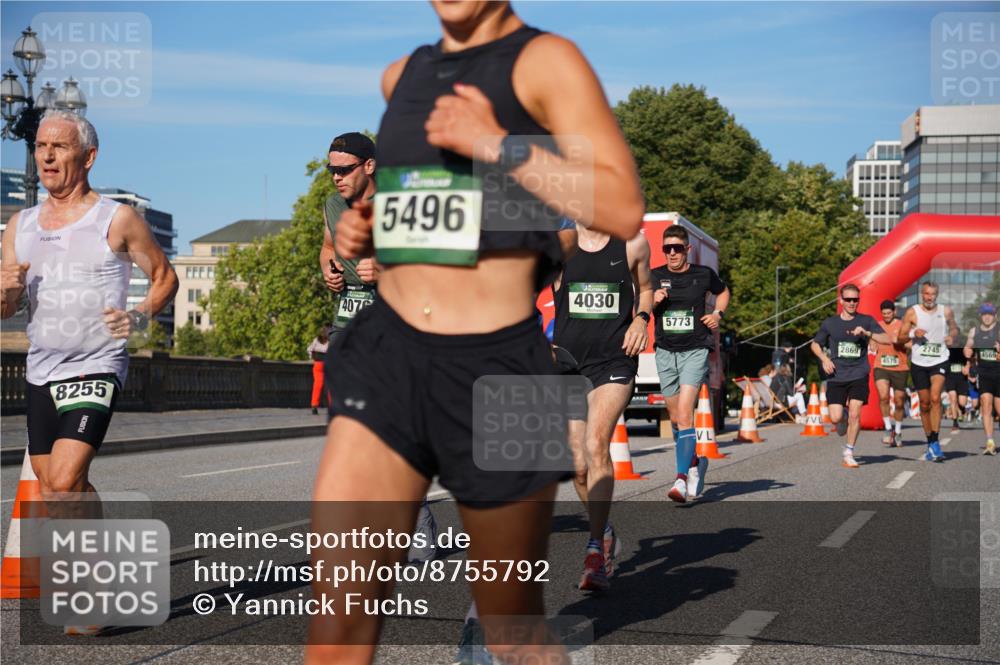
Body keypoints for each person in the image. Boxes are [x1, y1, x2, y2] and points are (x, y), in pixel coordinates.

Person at [307, 1, 644, 663]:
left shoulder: (546, 61)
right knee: (338, 620)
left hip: (501, 367)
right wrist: (372, 222)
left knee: (509, 630)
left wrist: (496, 144)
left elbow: (619, 205)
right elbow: (426, 204)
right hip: (390, 355)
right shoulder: (400, 76)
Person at [0, 111, 177, 634]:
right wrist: (7, 289)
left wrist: (139, 314)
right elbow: (5, 308)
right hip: (41, 369)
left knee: (67, 476)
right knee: (58, 489)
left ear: (88, 157)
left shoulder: (115, 219)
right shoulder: (21, 225)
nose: (47, 156)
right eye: (40, 146)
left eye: (59, 146)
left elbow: (164, 276)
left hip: (97, 363)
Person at [552, 223, 651, 591]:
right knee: (577, 467)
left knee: (596, 445)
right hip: (568, 363)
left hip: (614, 362)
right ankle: (605, 531)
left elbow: (646, 288)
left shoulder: (632, 244)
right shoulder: (561, 244)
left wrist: (642, 319)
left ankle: (595, 552)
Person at [651, 225, 730, 503]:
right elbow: (637, 302)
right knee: (675, 418)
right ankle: (696, 463)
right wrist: (651, 299)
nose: (672, 253)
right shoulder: (655, 276)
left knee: (685, 414)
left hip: (695, 349)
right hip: (664, 351)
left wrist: (717, 314)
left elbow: (723, 292)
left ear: (687, 249)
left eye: (677, 248)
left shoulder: (703, 275)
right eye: (667, 248)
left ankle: (681, 479)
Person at [810, 284, 892, 468]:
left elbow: (888, 339)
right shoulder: (830, 323)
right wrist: (824, 358)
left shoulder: (866, 320)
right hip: (837, 375)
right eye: (848, 299)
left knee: (856, 413)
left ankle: (849, 452)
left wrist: (868, 334)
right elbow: (815, 344)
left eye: (855, 300)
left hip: (858, 373)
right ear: (841, 301)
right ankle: (844, 415)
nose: (852, 303)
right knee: (836, 418)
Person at [318, 132, 380, 341]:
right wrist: (328, 269)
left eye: (344, 170)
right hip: (346, 321)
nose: (337, 177)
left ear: (369, 166)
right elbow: (328, 248)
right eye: (333, 170)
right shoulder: (333, 205)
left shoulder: (398, 201)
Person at [898, 281, 959, 462]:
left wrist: (952, 335)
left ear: (937, 295)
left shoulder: (945, 311)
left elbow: (955, 327)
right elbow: (900, 337)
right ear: (921, 294)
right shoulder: (912, 312)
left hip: (940, 359)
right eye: (926, 294)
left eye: (932, 294)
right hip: (918, 362)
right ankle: (930, 440)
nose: (929, 297)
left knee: (935, 398)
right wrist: (912, 334)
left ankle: (935, 441)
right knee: (924, 404)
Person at [872, 299, 909, 447]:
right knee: (883, 396)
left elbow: (912, 344)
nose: (887, 316)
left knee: (899, 401)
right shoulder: (877, 326)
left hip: (900, 367)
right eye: (884, 313)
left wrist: (898, 342)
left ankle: (898, 430)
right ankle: (888, 428)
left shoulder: (902, 325)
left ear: (894, 312)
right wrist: (872, 342)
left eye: (889, 313)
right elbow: (871, 340)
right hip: (881, 366)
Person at [965, 302, 999, 455]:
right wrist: (967, 351)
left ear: (995, 316)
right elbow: (968, 346)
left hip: (999, 373)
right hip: (984, 373)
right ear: (980, 316)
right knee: (985, 404)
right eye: (984, 314)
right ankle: (990, 441)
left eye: (990, 314)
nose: (987, 317)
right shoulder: (974, 331)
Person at [945, 345, 970, 433]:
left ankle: (962, 408)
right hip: (950, 378)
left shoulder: (962, 350)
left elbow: (969, 361)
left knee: (962, 403)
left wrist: (967, 367)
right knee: (953, 398)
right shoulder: (946, 350)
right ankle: (955, 423)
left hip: (961, 379)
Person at [307, 327, 330, 414]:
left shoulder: (316, 340)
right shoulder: (329, 341)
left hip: (318, 364)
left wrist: (312, 357)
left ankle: (314, 405)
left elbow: (309, 349)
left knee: (317, 385)